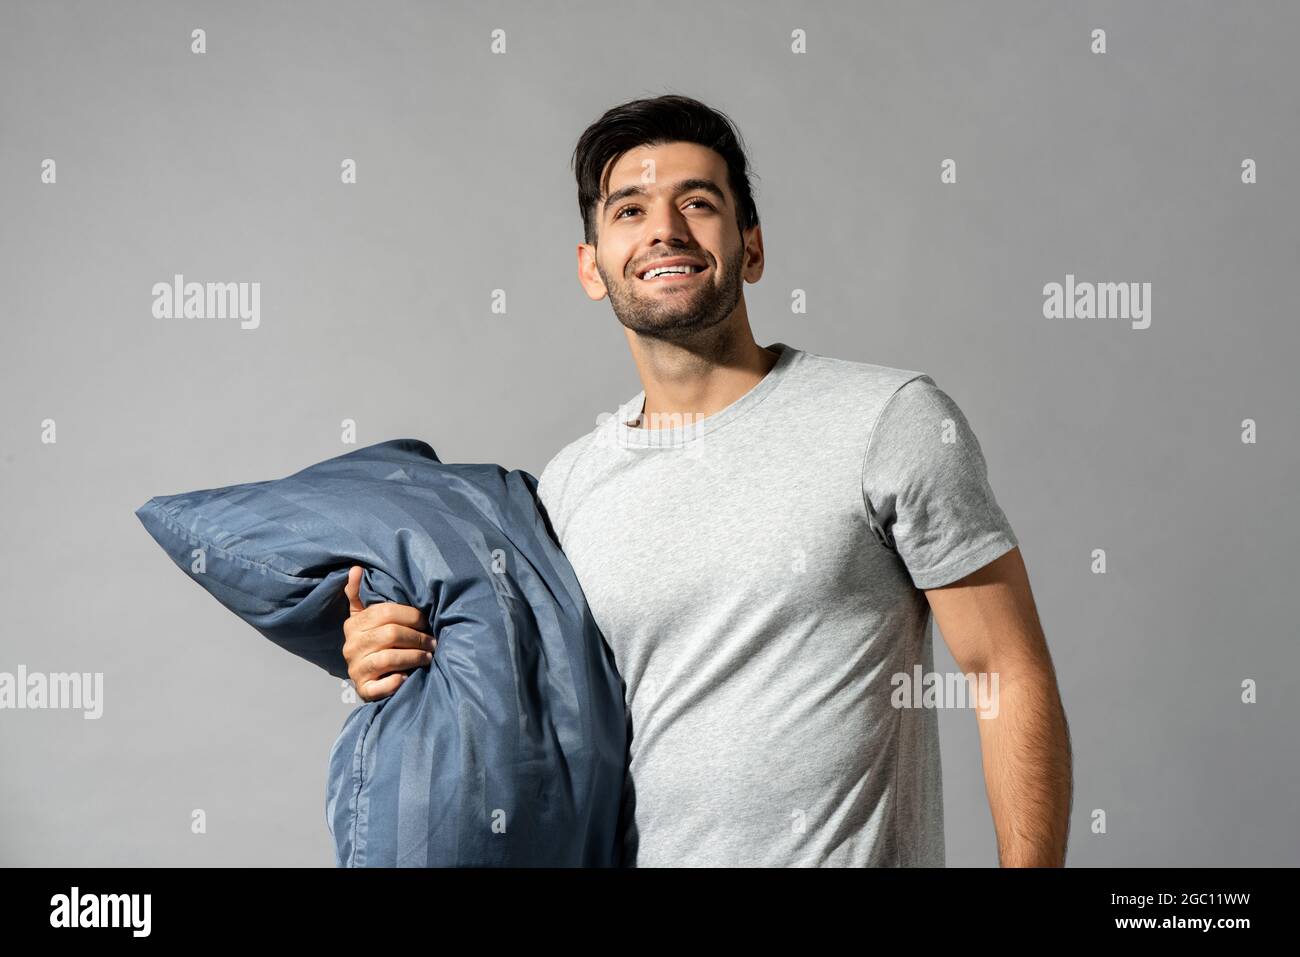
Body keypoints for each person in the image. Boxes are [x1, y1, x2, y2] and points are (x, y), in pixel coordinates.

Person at [341, 94, 1072, 867]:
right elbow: (514, 704)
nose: (665, 229)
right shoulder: (566, 488)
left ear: (751, 248)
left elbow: (1006, 671)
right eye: (630, 210)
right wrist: (389, 654)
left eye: (697, 201)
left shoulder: (887, 420)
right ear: (592, 266)